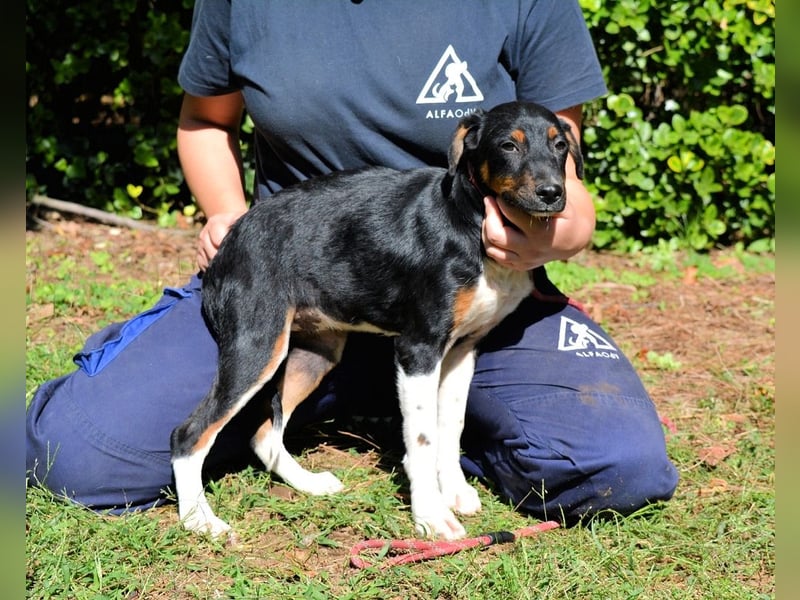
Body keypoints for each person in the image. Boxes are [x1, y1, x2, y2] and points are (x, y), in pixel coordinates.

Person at [26, 0, 678, 526]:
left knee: (618, 464)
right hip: (296, 269)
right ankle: (301, 408)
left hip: (475, 285)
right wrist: (227, 213)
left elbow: (560, 167)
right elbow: (203, 120)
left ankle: (405, 425)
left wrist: (558, 235)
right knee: (78, 453)